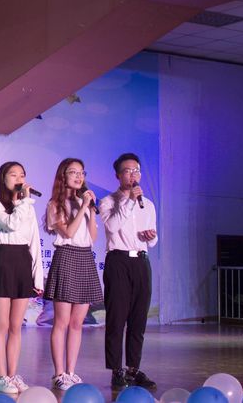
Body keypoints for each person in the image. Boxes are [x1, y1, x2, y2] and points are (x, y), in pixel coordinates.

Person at [0, 161, 43, 395]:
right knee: (3, 325)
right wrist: (23, 201)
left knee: (17, 326)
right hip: (4, 261)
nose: (19, 178)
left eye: (22, 175)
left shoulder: (28, 207)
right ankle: (1, 377)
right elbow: (11, 224)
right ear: (3, 179)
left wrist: (38, 278)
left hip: (22, 261)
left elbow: (34, 241)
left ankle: (13, 374)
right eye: (13, 174)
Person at [43, 158, 103, 391]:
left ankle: (71, 371)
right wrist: (83, 208)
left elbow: (93, 237)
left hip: (85, 257)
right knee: (62, 322)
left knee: (77, 323)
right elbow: (68, 232)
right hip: (66, 256)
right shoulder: (55, 204)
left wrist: (91, 210)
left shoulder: (83, 202)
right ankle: (58, 374)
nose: (79, 176)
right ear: (63, 176)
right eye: (73, 172)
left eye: (82, 173)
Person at [99, 152, 157, 391]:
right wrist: (130, 201)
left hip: (141, 261)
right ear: (118, 175)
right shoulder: (108, 201)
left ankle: (133, 369)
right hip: (118, 261)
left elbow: (153, 239)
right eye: (128, 170)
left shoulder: (148, 204)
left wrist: (150, 237)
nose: (134, 174)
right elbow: (112, 227)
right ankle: (116, 370)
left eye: (137, 170)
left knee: (138, 319)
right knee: (116, 318)